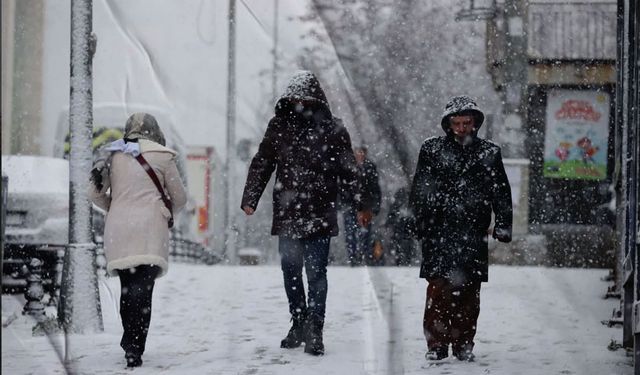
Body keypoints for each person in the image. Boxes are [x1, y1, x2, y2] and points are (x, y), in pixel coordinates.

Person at [241, 71, 372, 356]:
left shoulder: (333, 129)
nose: (300, 103)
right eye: (295, 99)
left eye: (305, 98)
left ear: (316, 99)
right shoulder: (278, 127)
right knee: (290, 271)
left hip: (320, 212)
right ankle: (298, 321)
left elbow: (349, 170)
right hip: (288, 213)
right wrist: (251, 197)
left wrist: (362, 204)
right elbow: (262, 162)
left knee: (316, 273)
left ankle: (315, 328)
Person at [409, 96, 512, 362]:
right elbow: (420, 188)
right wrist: (417, 220)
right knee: (438, 289)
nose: (462, 128)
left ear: (475, 123)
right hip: (438, 229)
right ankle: (437, 344)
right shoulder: (431, 149)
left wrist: (503, 223)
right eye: (457, 123)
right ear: (448, 124)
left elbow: (500, 190)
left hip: (472, 231)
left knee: (469, 291)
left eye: (467, 122)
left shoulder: (489, 152)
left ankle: (464, 342)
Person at [89, 113, 187, 367]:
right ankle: (135, 345)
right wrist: (165, 211)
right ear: (155, 131)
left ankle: (129, 340)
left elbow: (93, 192)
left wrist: (116, 206)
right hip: (150, 230)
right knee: (143, 290)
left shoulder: (112, 154)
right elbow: (180, 198)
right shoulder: (164, 156)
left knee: (127, 287)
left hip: (119, 228)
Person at [341, 145, 381, 266]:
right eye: (358, 153)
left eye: (361, 153)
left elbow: (375, 188)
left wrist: (375, 206)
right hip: (350, 205)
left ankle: (365, 256)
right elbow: (342, 187)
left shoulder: (370, 168)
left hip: (365, 206)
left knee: (365, 232)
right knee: (350, 233)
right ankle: (353, 258)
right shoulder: (348, 168)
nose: (360, 155)